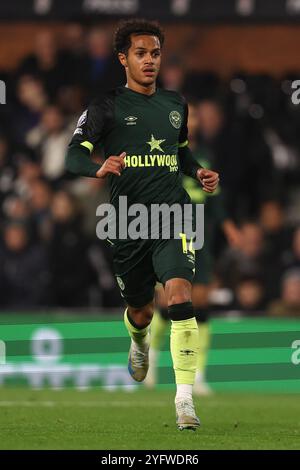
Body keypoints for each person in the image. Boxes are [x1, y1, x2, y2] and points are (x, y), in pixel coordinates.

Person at [65, 19, 219, 430]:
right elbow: (71, 156)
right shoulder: (105, 106)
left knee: (181, 298)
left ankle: (184, 400)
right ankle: (138, 341)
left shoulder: (175, 104)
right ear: (123, 59)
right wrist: (98, 168)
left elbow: (181, 153)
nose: (149, 61)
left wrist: (199, 172)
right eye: (140, 53)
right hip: (129, 223)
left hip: (174, 216)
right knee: (141, 310)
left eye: (155, 54)